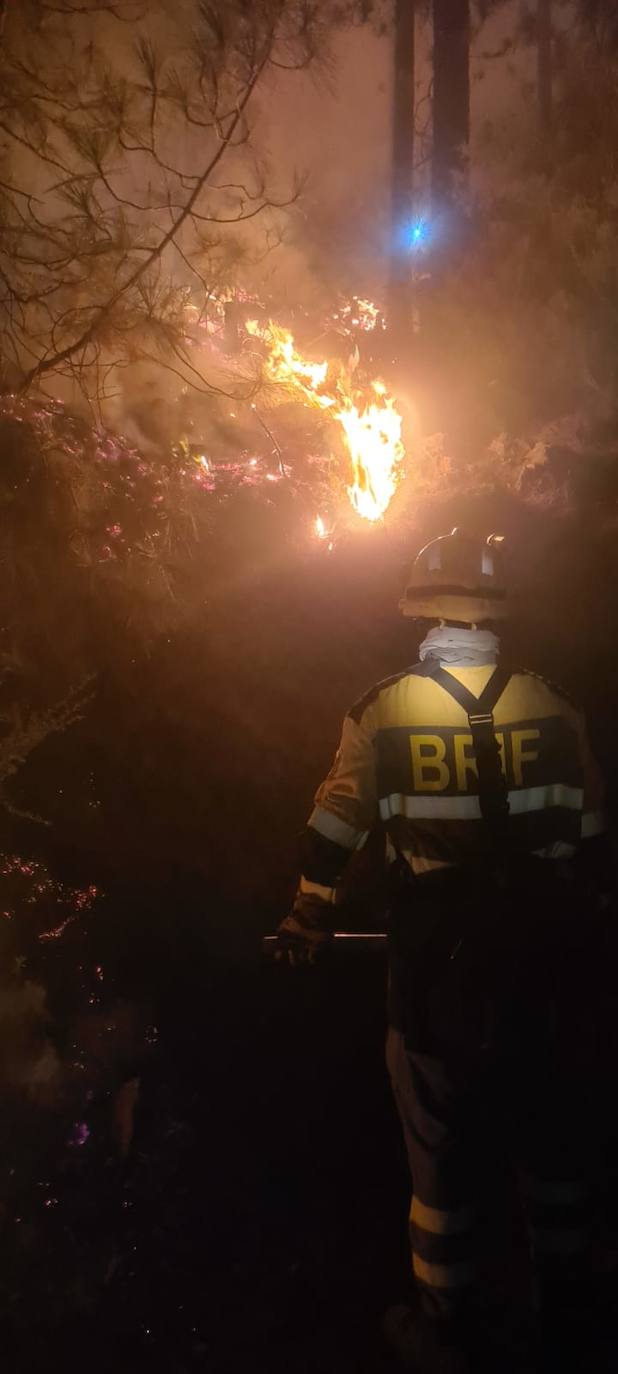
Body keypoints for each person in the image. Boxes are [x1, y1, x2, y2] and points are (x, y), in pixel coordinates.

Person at [277, 528, 613, 1372]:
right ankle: (572, 1321)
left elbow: (333, 830)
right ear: (497, 611)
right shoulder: (556, 704)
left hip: (437, 983)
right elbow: (595, 842)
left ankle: (448, 1332)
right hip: (550, 972)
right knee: (557, 1155)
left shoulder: (383, 707)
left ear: (420, 608)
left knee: (443, 1167)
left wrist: (308, 919)